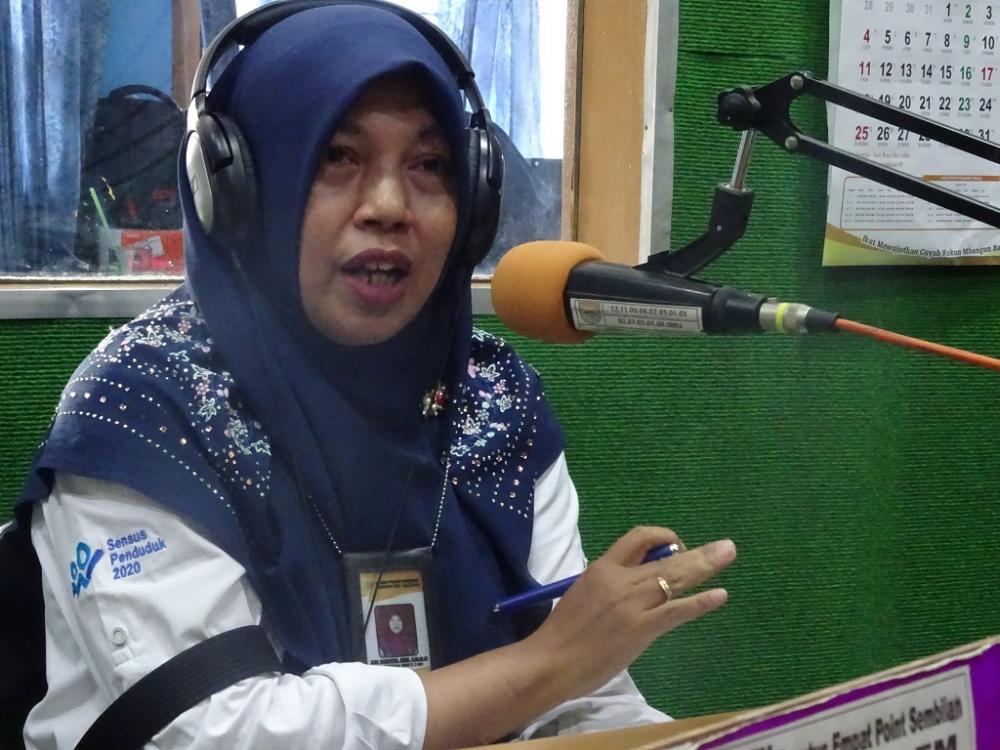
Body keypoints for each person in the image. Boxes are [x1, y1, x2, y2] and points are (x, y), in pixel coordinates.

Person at [16, 3, 737, 748]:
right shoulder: (141, 410)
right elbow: (217, 731)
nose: (390, 207)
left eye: (429, 166)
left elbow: (583, 698)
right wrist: (544, 666)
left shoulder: (494, 397)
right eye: (337, 157)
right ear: (236, 191)